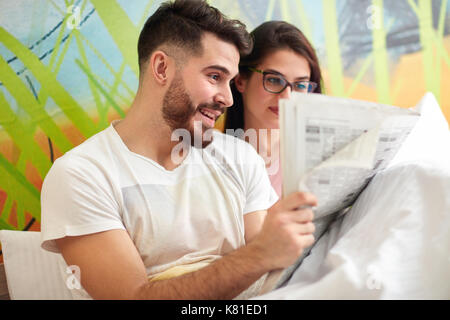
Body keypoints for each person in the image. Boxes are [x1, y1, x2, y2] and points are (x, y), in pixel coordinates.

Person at [40, 0, 317, 300]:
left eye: (228, 80)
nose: (228, 98)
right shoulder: (82, 176)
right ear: (162, 68)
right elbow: (133, 297)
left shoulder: (240, 158)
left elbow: (272, 270)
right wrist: (259, 255)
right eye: (214, 76)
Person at [224, 21, 323, 197]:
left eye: (300, 85)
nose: (286, 97)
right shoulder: (213, 157)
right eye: (274, 80)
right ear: (240, 80)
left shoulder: (315, 162)